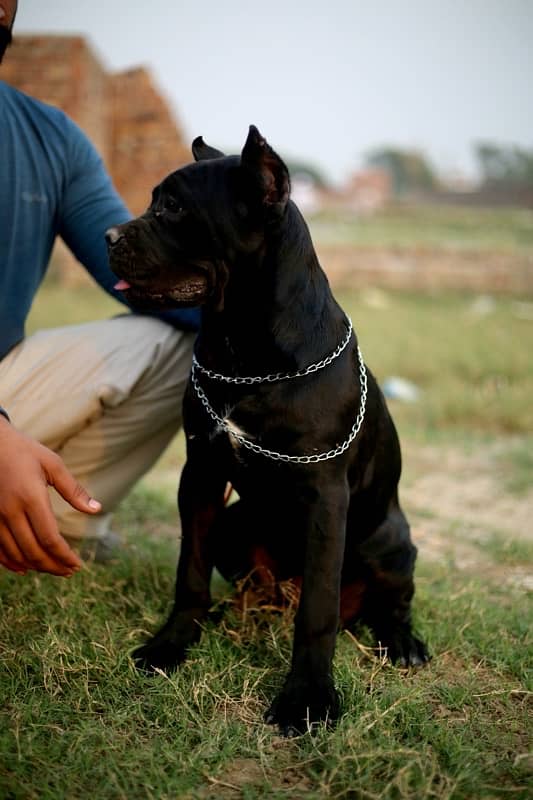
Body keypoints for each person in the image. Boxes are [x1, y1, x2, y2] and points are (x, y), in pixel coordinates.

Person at [0, 1, 199, 577]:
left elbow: (148, 278)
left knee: (197, 344)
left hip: (8, 391)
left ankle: (57, 521)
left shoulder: (49, 137)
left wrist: (294, 361)